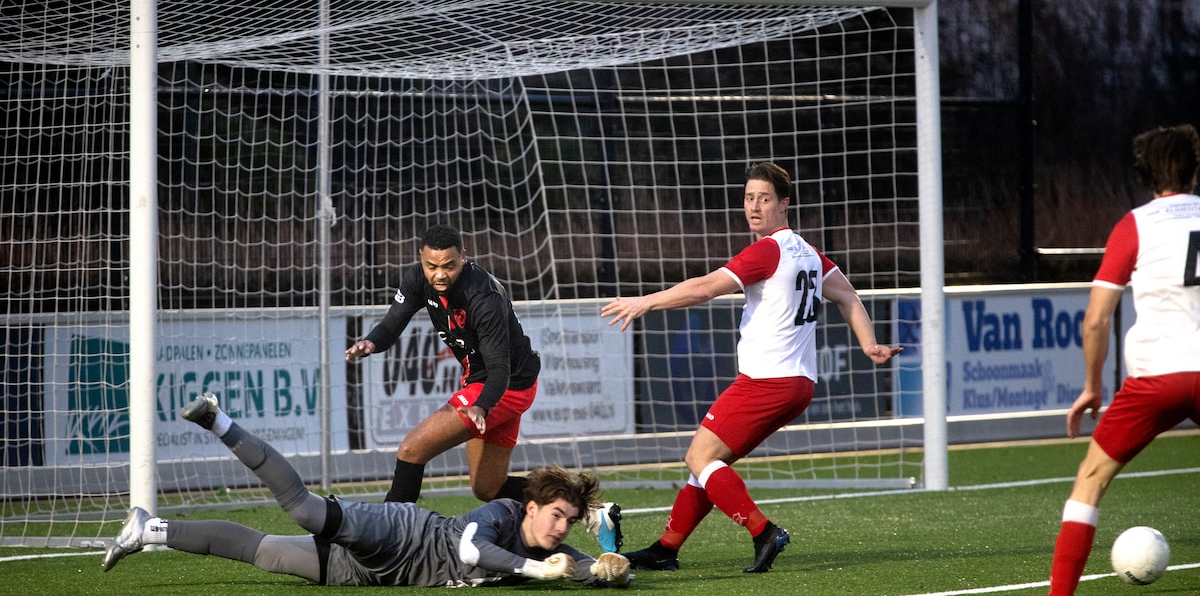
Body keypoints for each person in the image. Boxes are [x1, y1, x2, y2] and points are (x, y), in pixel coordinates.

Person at [600, 161, 902, 574]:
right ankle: (666, 548)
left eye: (764, 199)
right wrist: (869, 345)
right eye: (749, 198)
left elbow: (705, 288)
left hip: (766, 381)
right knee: (710, 464)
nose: (754, 207)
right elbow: (848, 295)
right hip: (797, 384)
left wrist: (644, 302)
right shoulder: (807, 252)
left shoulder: (768, 250)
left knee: (698, 456)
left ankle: (763, 532)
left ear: (784, 203)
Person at [101, 392, 632, 589]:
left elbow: (594, 571)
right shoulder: (501, 513)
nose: (561, 528)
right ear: (531, 507)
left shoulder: (554, 551)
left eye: (569, 521)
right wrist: (538, 571)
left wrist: (614, 568)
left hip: (378, 573)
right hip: (401, 535)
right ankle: (218, 421)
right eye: (556, 514)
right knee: (305, 511)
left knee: (263, 553)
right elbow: (473, 551)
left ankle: (148, 528)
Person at [344, 224, 621, 552]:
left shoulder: (482, 296)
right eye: (432, 266)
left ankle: (387, 540)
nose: (440, 274)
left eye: (449, 265)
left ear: (464, 256)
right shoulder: (418, 277)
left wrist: (481, 406)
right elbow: (393, 322)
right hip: (488, 385)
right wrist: (371, 343)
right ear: (421, 258)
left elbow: (500, 370)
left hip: (503, 387)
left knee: (411, 450)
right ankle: (592, 512)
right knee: (488, 487)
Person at [1048, 124, 1200, 595]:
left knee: (1090, 481)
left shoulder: (1135, 225)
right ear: (1194, 171)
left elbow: (1096, 320)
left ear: (1145, 174)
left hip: (1155, 380)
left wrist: (1092, 385)